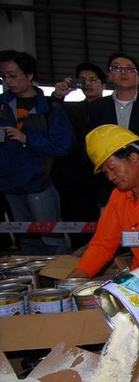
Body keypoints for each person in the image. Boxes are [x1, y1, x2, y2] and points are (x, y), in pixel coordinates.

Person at [67, 125, 139, 278]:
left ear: (134, 158)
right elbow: (103, 244)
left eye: (112, 168)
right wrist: (77, 276)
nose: (110, 177)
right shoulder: (118, 197)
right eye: (105, 172)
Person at [0, 50, 73, 254]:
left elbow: (63, 145)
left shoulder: (49, 109)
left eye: (13, 75)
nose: (8, 81)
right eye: (4, 76)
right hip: (9, 186)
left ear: (30, 75)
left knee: (52, 240)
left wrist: (28, 139)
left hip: (39, 184)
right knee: (26, 242)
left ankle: (57, 280)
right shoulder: (2, 105)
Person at [50, 62, 107, 248]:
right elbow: (50, 115)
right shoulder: (71, 109)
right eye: (83, 81)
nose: (88, 84)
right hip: (76, 181)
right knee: (79, 234)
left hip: (106, 180)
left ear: (103, 85)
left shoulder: (113, 109)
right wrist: (59, 95)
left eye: (93, 80)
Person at [88, 52, 139, 182]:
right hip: (108, 181)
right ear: (109, 75)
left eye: (129, 69)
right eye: (116, 68)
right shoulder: (96, 108)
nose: (123, 72)